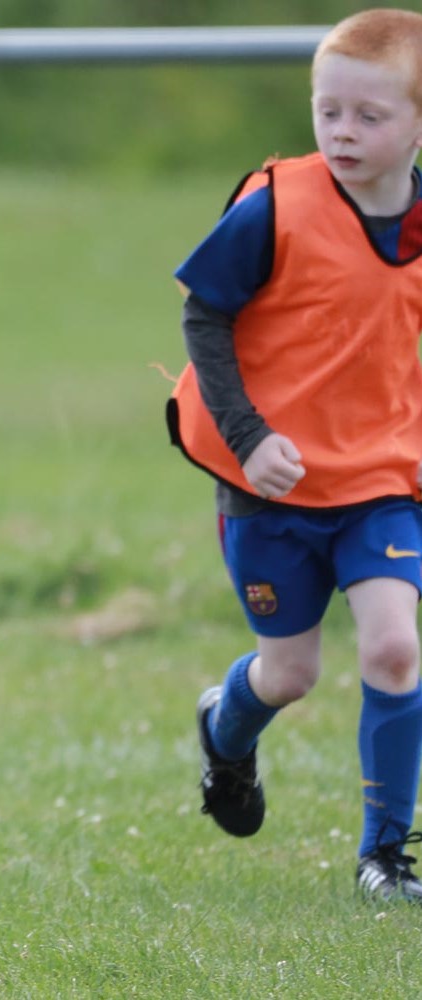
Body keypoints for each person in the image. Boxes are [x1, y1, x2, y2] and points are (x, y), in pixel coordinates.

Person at [168, 8, 422, 903]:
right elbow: (204, 315)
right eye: (328, 112)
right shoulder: (276, 205)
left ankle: (384, 857)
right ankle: (223, 736)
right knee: (291, 673)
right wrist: (250, 437)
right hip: (271, 487)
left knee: (395, 650)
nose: (344, 133)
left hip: (385, 482)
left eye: (371, 116)